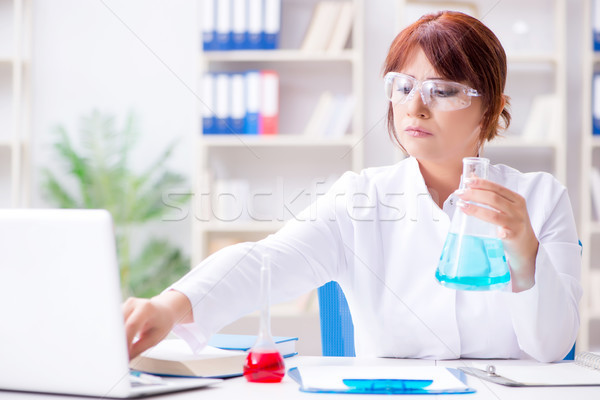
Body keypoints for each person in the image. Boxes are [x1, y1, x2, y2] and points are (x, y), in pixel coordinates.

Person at [123, 11, 581, 363]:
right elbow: (266, 261)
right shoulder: (361, 197)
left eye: (442, 91)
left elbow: (552, 349)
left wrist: (525, 252)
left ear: (491, 108)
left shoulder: (540, 199)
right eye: (402, 86)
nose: (414, 107)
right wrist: (171, 305)